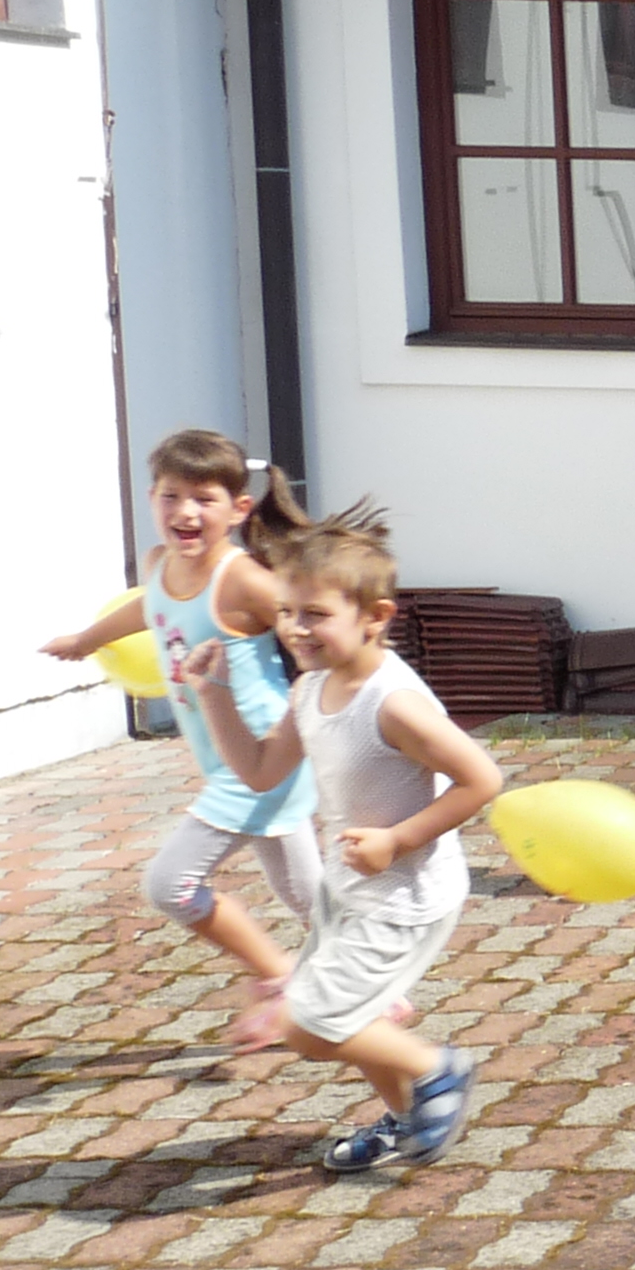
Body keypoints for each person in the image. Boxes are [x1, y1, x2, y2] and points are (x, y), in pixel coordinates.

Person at [177, 502, 501, 1172]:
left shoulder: (393, 704)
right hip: (349, 887)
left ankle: (437, 1069)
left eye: (315, 614)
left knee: (309, 1024)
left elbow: (481, 779)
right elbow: (262, 772)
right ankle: (406, 1118)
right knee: (355, 1012)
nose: (296, 628)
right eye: (287, 612)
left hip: (404, 897)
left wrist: (398, 841)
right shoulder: (312, 687)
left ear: (374, 617)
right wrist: (212, 696)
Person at [40, 431, 321, 1049]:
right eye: (171, 496)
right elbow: (149, 608)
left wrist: (348, 690)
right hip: (226, 759)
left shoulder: (241, 579)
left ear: (238, 509)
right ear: (152, 498)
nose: (185, 512)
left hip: (261, 757)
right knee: (305, 895)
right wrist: (86, 640)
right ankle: (370, 984)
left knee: (170, 885)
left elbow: (314, 625)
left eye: (203, 498)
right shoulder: (160, 564)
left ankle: (281, 978)